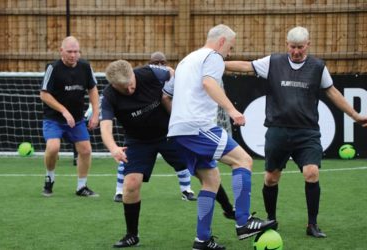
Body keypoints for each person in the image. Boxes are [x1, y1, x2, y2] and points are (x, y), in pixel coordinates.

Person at [224, 26, 367, 238]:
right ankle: (270, 220)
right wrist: (217, 62)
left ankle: (312, 225)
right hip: (277, 130)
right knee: (271, 178)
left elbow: (333, 92)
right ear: (286, 45)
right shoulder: (273, 62)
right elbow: (246, 66)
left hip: (307, 132)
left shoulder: (318, 67)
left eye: (300, 47)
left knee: (312, 173)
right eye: (293, 47)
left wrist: (355, 115)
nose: (296, 51)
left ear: (308, 44)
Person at [167, 24, 276, 250]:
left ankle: (202, 240)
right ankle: (244, 222)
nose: (229, 53)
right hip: (197, 127)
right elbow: (209, 83)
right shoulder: (214, 56)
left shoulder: (187, 60)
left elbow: (166, 94)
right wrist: (232, 110)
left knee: (211, 181)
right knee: (243, 161)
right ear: (221, 42)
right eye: (230, 47)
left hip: (178, 132)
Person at [100, 59, 200, 248]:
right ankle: (132, 235)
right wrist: (113, 148)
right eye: (124, 89)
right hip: (138, 142)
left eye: (131, 85)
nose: (130, 90)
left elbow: (173, 73)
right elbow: (105, 127)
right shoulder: (109, 95)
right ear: (114, 85)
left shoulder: (148, 73)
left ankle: (232, 212)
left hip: (169, 133)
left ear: (133, 75)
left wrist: (178, 99)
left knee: (204, 170)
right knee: (130, 184)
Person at [112, 51, 196, 203]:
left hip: (165, 131)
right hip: (139, 136)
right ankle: (119, 191)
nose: (160, 66)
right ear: (150, 63)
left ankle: (186, 190)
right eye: (156, 63)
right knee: (126, 160)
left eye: (162, 63)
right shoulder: (142, 78)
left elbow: (177, 89)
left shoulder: (170, 80)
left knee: (180, 159)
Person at [40, 36, 100, 197]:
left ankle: (81, 187)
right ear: (61, 51)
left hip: (77, 120)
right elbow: (44, 95)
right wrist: (64, 111)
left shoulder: (85, 67)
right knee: (53, 148)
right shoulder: (52, 68)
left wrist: (95, 113)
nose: (73, 55)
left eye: (76, 51)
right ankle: (49, 178)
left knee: (86, 150)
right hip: (54, 119)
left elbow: (93, 90)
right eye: (69, 51)